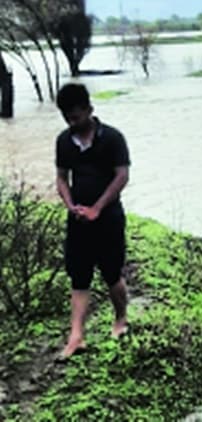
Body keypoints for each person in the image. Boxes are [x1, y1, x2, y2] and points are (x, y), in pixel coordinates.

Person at [54, 83, 131, 359]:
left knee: (112, 273)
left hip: (108, 218)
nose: (72, 122)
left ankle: (120, 319)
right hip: (78, 220)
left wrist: (98, 208)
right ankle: (76, 336)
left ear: (89, 110)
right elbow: (62, 178)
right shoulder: (64, 141)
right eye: (67, 117)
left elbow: (121, 176)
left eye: (76, 116)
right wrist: (70, 204)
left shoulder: (112, 138)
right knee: (79, 277)